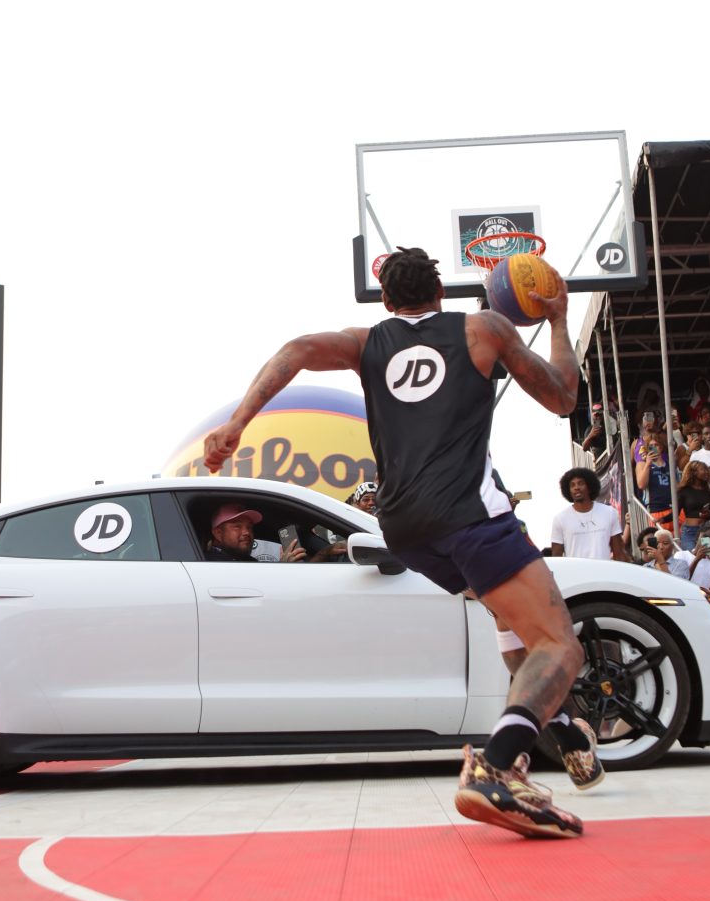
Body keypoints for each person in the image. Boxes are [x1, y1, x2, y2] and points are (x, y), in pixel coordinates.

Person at [204, 244, 598, 840]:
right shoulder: (484, 328)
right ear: (439, 293)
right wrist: (560, 319)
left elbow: (296, 350)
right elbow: (564, 397)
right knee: (560, 646)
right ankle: (497, 766)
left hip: (405, 529)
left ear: (386, 301)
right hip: (469, 514)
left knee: (509, 617)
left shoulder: (366, 343)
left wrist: (237, 423)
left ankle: (561, 726)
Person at [550, 469, 628, 561]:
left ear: (589, 487)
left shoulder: (609, 513)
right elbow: (556, 558)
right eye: (572, 485)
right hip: (575, 570)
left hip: (604, 569)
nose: (576, 487)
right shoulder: (560, 519)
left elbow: (619, 553)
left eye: (580, 483)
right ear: (568, 490)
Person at [204, 502, 307, 563]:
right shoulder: (210, 562)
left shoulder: (246, 561)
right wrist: (283, 568)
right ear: (218, 533)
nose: (246, 532)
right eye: (237, 527)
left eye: (249, 527)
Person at [634, 426, 675, 531]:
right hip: (655, 509)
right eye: (650, 446)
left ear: (661, 447)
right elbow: (641, 485)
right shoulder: (642, 464)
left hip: (672, 509)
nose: (654, 448)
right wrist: (648, 464)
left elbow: (677, 485)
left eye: (656, 445)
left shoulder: (669, 464)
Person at [675, 459, 710, 551]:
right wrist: (662, 519)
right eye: (703, 469)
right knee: (691, 556)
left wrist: (709, 514)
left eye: (706, 469)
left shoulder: (707, 491)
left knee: (707, 554)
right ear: (693, 472)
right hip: (690, 531)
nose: (706, 472)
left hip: (705, 530)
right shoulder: (683, 491)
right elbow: (675, 513)